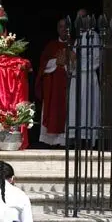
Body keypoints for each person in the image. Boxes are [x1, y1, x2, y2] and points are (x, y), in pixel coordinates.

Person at [35, 18, 72, 147]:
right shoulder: (51, 46)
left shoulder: (75, 45)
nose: (64, 29)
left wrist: (68, 62)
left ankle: (66, 141)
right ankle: (51, 141)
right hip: (53, 87)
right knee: (53, 110)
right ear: (58, 29)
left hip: (68, 86)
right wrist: (56, 62)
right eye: (61, 27)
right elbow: (43, 65)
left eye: (66, 27)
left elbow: (79, 65)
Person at [68, 8, 100, 147]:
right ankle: (76, 138)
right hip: (76, 78)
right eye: (78, 17)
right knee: (76, 107)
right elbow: (73, 60)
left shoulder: (94, 36)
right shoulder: (78, 38)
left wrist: (79, 64)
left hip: (88, 78)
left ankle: (87, 139)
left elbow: (96, 60)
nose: (81, 20)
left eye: (83, 17)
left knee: (87, 106)